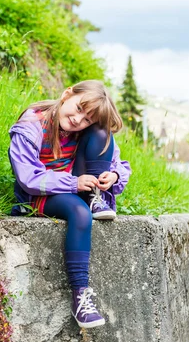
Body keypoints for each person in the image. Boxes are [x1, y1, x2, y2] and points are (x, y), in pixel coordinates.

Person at [8, 80, 131, 328]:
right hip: (40, 194)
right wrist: (74, 184)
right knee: (80, 213)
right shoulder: (31, 125)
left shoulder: (87, 129)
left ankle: (95, 196)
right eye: (77, 109)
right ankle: (80, 297)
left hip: (75, 185)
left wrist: (114, 176)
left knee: (101, 133)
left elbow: (119, 163)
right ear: (66, 95)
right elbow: (28, 178)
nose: (78, 120)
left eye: (86, 119)